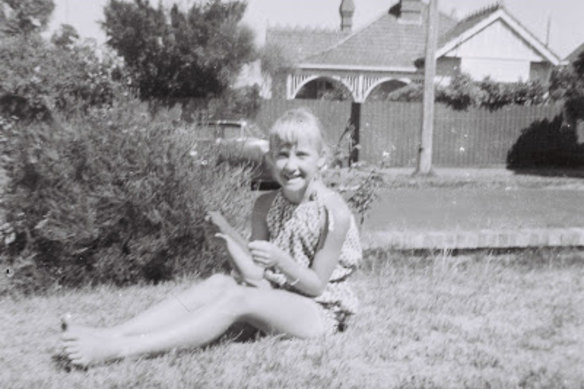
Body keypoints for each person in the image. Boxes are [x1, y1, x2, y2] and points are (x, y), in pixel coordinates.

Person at [61, 108, 362, 367]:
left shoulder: (333, 212)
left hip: (316, 312)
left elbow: (315, 286)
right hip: (276, 297)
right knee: (221, 283)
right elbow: (256, 274)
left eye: (302, 155)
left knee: (237, 296)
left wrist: (280, 260)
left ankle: (120, 349)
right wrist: (228, 242)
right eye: (282, 155)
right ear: (271, 159)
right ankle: (113, 333)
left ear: (321, 160)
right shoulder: (265, 205)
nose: (291, 165)